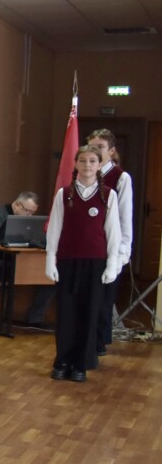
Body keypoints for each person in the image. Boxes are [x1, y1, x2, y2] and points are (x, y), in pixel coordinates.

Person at [45, 146, 122, 382]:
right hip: (68, 261)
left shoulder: (108, 195)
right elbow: (55, 228)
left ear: (99, 165)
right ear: (76, 164)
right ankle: (63, 360)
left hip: (95, 263)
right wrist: (50, 259)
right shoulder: (64, 194)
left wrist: (112, 264)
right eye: (83, 160)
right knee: (66, 313)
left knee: (89, 313)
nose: (87, 165)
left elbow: (113, 232)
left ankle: (81, 364)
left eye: (92, 161)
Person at [0, 191, 51, 327]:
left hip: (18, 261)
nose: (29, 215)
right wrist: (5, 242)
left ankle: (35, 316)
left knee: (49, 276)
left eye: (32, 213)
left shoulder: (29, 223)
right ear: (17, 205)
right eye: (27, 211)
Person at [86, 129, 133, 354]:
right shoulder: (84, 175)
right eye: (91, 146)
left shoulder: (120, 178)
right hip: (86, 248)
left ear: (111, 151)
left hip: (108, 249)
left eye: (100, 147)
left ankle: (97, 345)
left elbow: (124, 219)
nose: (95, 151)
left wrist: (122, 254)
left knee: (103, 301)